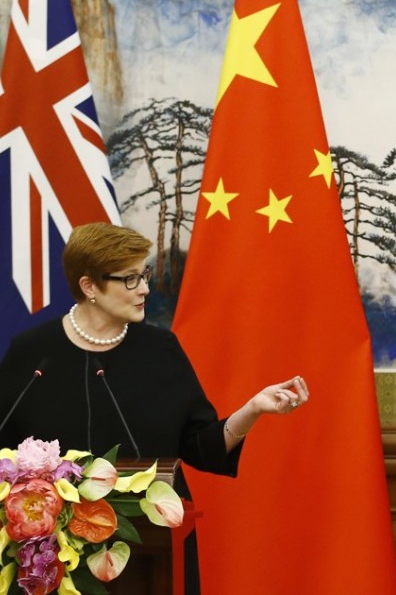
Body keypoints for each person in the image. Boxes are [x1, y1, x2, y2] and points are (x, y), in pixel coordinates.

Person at [0, 222, 309, 594]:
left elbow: (198, 446)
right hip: (51, 561)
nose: (145, 288)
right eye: (130, 279)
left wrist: (253, 410)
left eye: (143, 274)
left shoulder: (161, 351)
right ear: (89, 286)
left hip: (151, 555)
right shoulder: (32, 353)